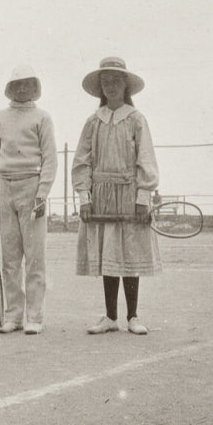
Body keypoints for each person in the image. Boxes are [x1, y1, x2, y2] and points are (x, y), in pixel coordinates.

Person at [72, 56, 161, 335]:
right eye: (106, 82)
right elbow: (81, 162)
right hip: (100, 196)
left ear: (126, 86)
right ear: (100, 88)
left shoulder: (136, 120)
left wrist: (143, 198)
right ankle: (110, 317)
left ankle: (132, 316)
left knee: (129, 252)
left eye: (116, 81)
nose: (110, 87)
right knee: (108, 252)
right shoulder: (92, 122)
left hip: (129, 194)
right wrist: (84, 198)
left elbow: (146, 158)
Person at [0, 64, 58, 335]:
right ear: (11, 88)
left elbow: (50, 158)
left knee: (35, 256)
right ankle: (13, 315)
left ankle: (35, 316)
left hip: (32, 185)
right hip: (5, 187)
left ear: (35, 87)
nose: (23, 89)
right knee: (10, 256)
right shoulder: (0, 118)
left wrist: (42, 193)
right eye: (18, 85)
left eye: (28, 84)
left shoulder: (42, 117)